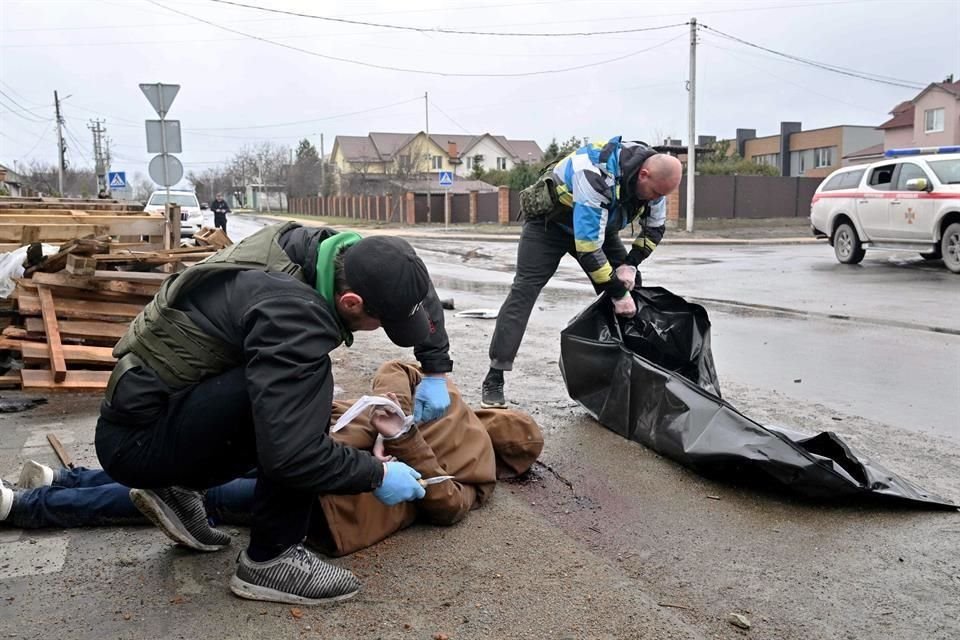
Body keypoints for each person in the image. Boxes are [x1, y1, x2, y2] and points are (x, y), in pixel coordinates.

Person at [95, 222, 456, 606]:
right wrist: (377, 474)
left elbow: (405, 275)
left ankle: (179, 487)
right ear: (351, 302)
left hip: (152, 408)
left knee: (292, 390)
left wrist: (435, 367)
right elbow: (292, 456)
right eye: (381, 322)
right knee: (305, 395)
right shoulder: (294, 315)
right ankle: (272, 558)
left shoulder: (317, 249)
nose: (381, 329)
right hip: (136, 443)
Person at [4, 361, 542, 558]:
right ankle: (43, 493)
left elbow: (445, 503)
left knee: (198, 486)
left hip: (323, 480)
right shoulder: (452, 409)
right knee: (203, 488)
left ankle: (41, 496)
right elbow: (398, 372)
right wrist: (390, 414)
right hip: (319, 469)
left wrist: (401, 437)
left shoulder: (470, 449)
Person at [481, 137, 683, 408]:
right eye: (655, 194)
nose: (657, 199)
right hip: (549, 227)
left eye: (662, 196)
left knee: (632, 289)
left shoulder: (656, 183)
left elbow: (654, 230)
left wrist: (630, 265)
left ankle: (628, 372)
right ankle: (495, 376)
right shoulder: (595, 172)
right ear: (644, 174)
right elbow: (588, 249)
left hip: (597, 227)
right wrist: (616, 291)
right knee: (524, 292)